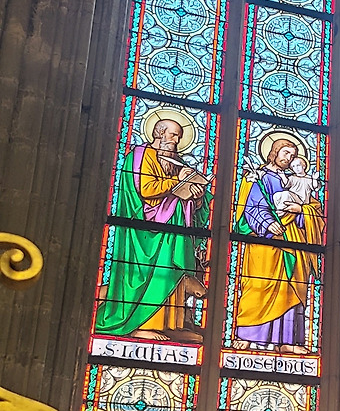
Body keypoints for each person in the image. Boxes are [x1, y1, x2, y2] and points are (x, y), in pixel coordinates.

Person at [96, 107, 209, 339]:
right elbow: (146, 190)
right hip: (145, 231)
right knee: (152, 274)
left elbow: (188, 200)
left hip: (174, 229)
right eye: (173, 135)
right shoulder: (140, 155)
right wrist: (176, 182)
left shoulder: (176, 162)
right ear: (159, 133)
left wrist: (197, 196)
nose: (176, 141)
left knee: (173, 273)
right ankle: (141, 325)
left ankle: (173, 325)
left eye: (179, 137)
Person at [233, 131, 324, 352]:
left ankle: (288, 341)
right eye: (285, 153)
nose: (288, 158)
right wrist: (267, 223)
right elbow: (250, 206)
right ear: (274, 153)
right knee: (259, 284)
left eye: (292, 155)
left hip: (292, 238)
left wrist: (301, 210)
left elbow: (314, 207)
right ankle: (248, 334)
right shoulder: (258, 176)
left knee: (291, 288)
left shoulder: (295, 181)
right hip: (265, 240)